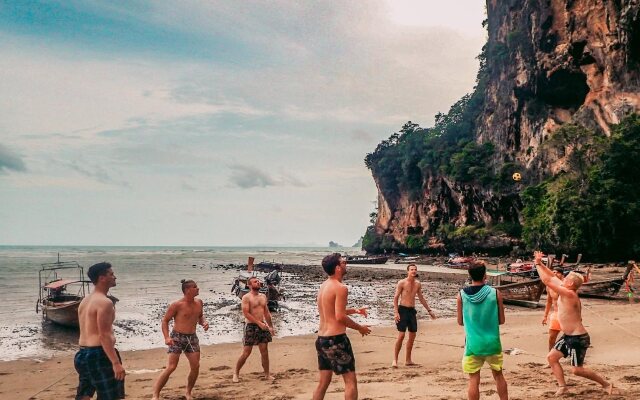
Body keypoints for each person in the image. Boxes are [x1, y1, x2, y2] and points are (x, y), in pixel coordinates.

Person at [533, 251, 613, 395]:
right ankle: (563, 386)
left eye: (566, 278)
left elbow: (547, 281)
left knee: (577, 370)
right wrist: (541, 263)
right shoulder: (567, 288)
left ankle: (606, 384)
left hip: (578, 338)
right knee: (551, 358)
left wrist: (538, 264)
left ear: (569, 283)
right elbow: (551, 276)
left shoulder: (569, 293)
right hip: (568, 336)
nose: (562, 278)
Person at [313, 253, 371, 400]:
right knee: (350, 381)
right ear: (337, 268)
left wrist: (356, 310)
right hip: (336, 340)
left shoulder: (323, 286)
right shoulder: (340, 288)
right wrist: (360, 328)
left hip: (322, 340)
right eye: (343, 262)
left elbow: (331, 311)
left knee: (323, 382)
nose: (346, 263)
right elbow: (340, 317)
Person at [456, 262, 508, 400]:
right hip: (492, 343)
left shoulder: (461, 295)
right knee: (498, 375)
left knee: (473, 379)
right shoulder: (496, 293)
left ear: (469, 275)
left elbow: (460, 322)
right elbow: (501, 320)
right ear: (485, 275)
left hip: (473, 345)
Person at [74, 262, 125, 400]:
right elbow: (104, 335)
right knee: (110, 396)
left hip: (82, 354)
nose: (115, 277)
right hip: (99, 354)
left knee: (84, 393)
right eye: (111, 274)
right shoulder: (104, 302)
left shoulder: (85, 300)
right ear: (102, 278)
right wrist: (115, 363)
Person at [152, 279, 209, 400]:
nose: (198, 288)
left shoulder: (199, 302)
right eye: (195, 287)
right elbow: (165, 320)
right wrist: (167, 337)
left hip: (192, 338)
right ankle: (155, 394)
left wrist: (204, 322)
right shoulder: (177, 305)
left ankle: (188, 392)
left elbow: (200, 316)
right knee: (171, 366)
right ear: (187, 290)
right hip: (177, 337)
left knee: (195, 366)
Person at [392, 263, 437, 367]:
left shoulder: (418, 284)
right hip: (402, 310)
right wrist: (396, 312)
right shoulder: (402, 283)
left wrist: (429, 311)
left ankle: (408, 360)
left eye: (415, 269)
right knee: (401, 335)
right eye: (411, 269)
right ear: (408, 271)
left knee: (412, 336)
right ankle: (395, 360)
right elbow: (395, 298)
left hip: (411, 311)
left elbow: (421, 298)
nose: (413, 271)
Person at [233, 276, 275, 383]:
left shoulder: (263, 296)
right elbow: (246, 314)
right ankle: (236, 373)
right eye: (255, 282)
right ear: (250, 285)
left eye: (258, 281)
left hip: (262, 326)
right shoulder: (246, 297)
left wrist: (271, 326)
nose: (258, 282)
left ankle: (267, 374)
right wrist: (259, 323)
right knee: (247, 352)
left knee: (264, 351)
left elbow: (266, 312)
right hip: (251, 326)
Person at [542, 267, 565, 351]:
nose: (555, 274)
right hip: (556, 314)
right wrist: (545, 316)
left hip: (566, 315)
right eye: (553, 272)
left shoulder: (565, 286)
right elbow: (549, 302)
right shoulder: (549, 287)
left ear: (562, 275)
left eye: (557, 272)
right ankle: (550, 359)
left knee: (570, 337)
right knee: (551, 337)